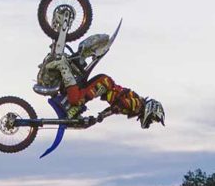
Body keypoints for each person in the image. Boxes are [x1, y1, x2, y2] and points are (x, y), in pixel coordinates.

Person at [35, 13, 165, 128]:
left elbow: (115, 108)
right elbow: (120, 103)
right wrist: (105, 114)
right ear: (152, 110)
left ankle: (63, 86)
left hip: (105, 86)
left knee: (75, 102)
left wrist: (99, 117)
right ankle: (63, 66)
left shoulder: (136, 107)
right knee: (76, 100)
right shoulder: (137, 105)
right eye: (153, 119)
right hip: (105, 85)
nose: (151, 121)